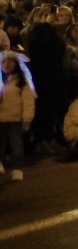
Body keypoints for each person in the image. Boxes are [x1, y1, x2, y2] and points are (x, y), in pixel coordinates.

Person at [1, 36, 36, 181]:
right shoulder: (2, 82)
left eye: (10, 61)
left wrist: (27, 118)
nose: (7, 64)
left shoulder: (22, 83)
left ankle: (17, 169)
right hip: (1, 119)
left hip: (15, 118)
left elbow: (28, 101)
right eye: (4, 62)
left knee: (16, 145)